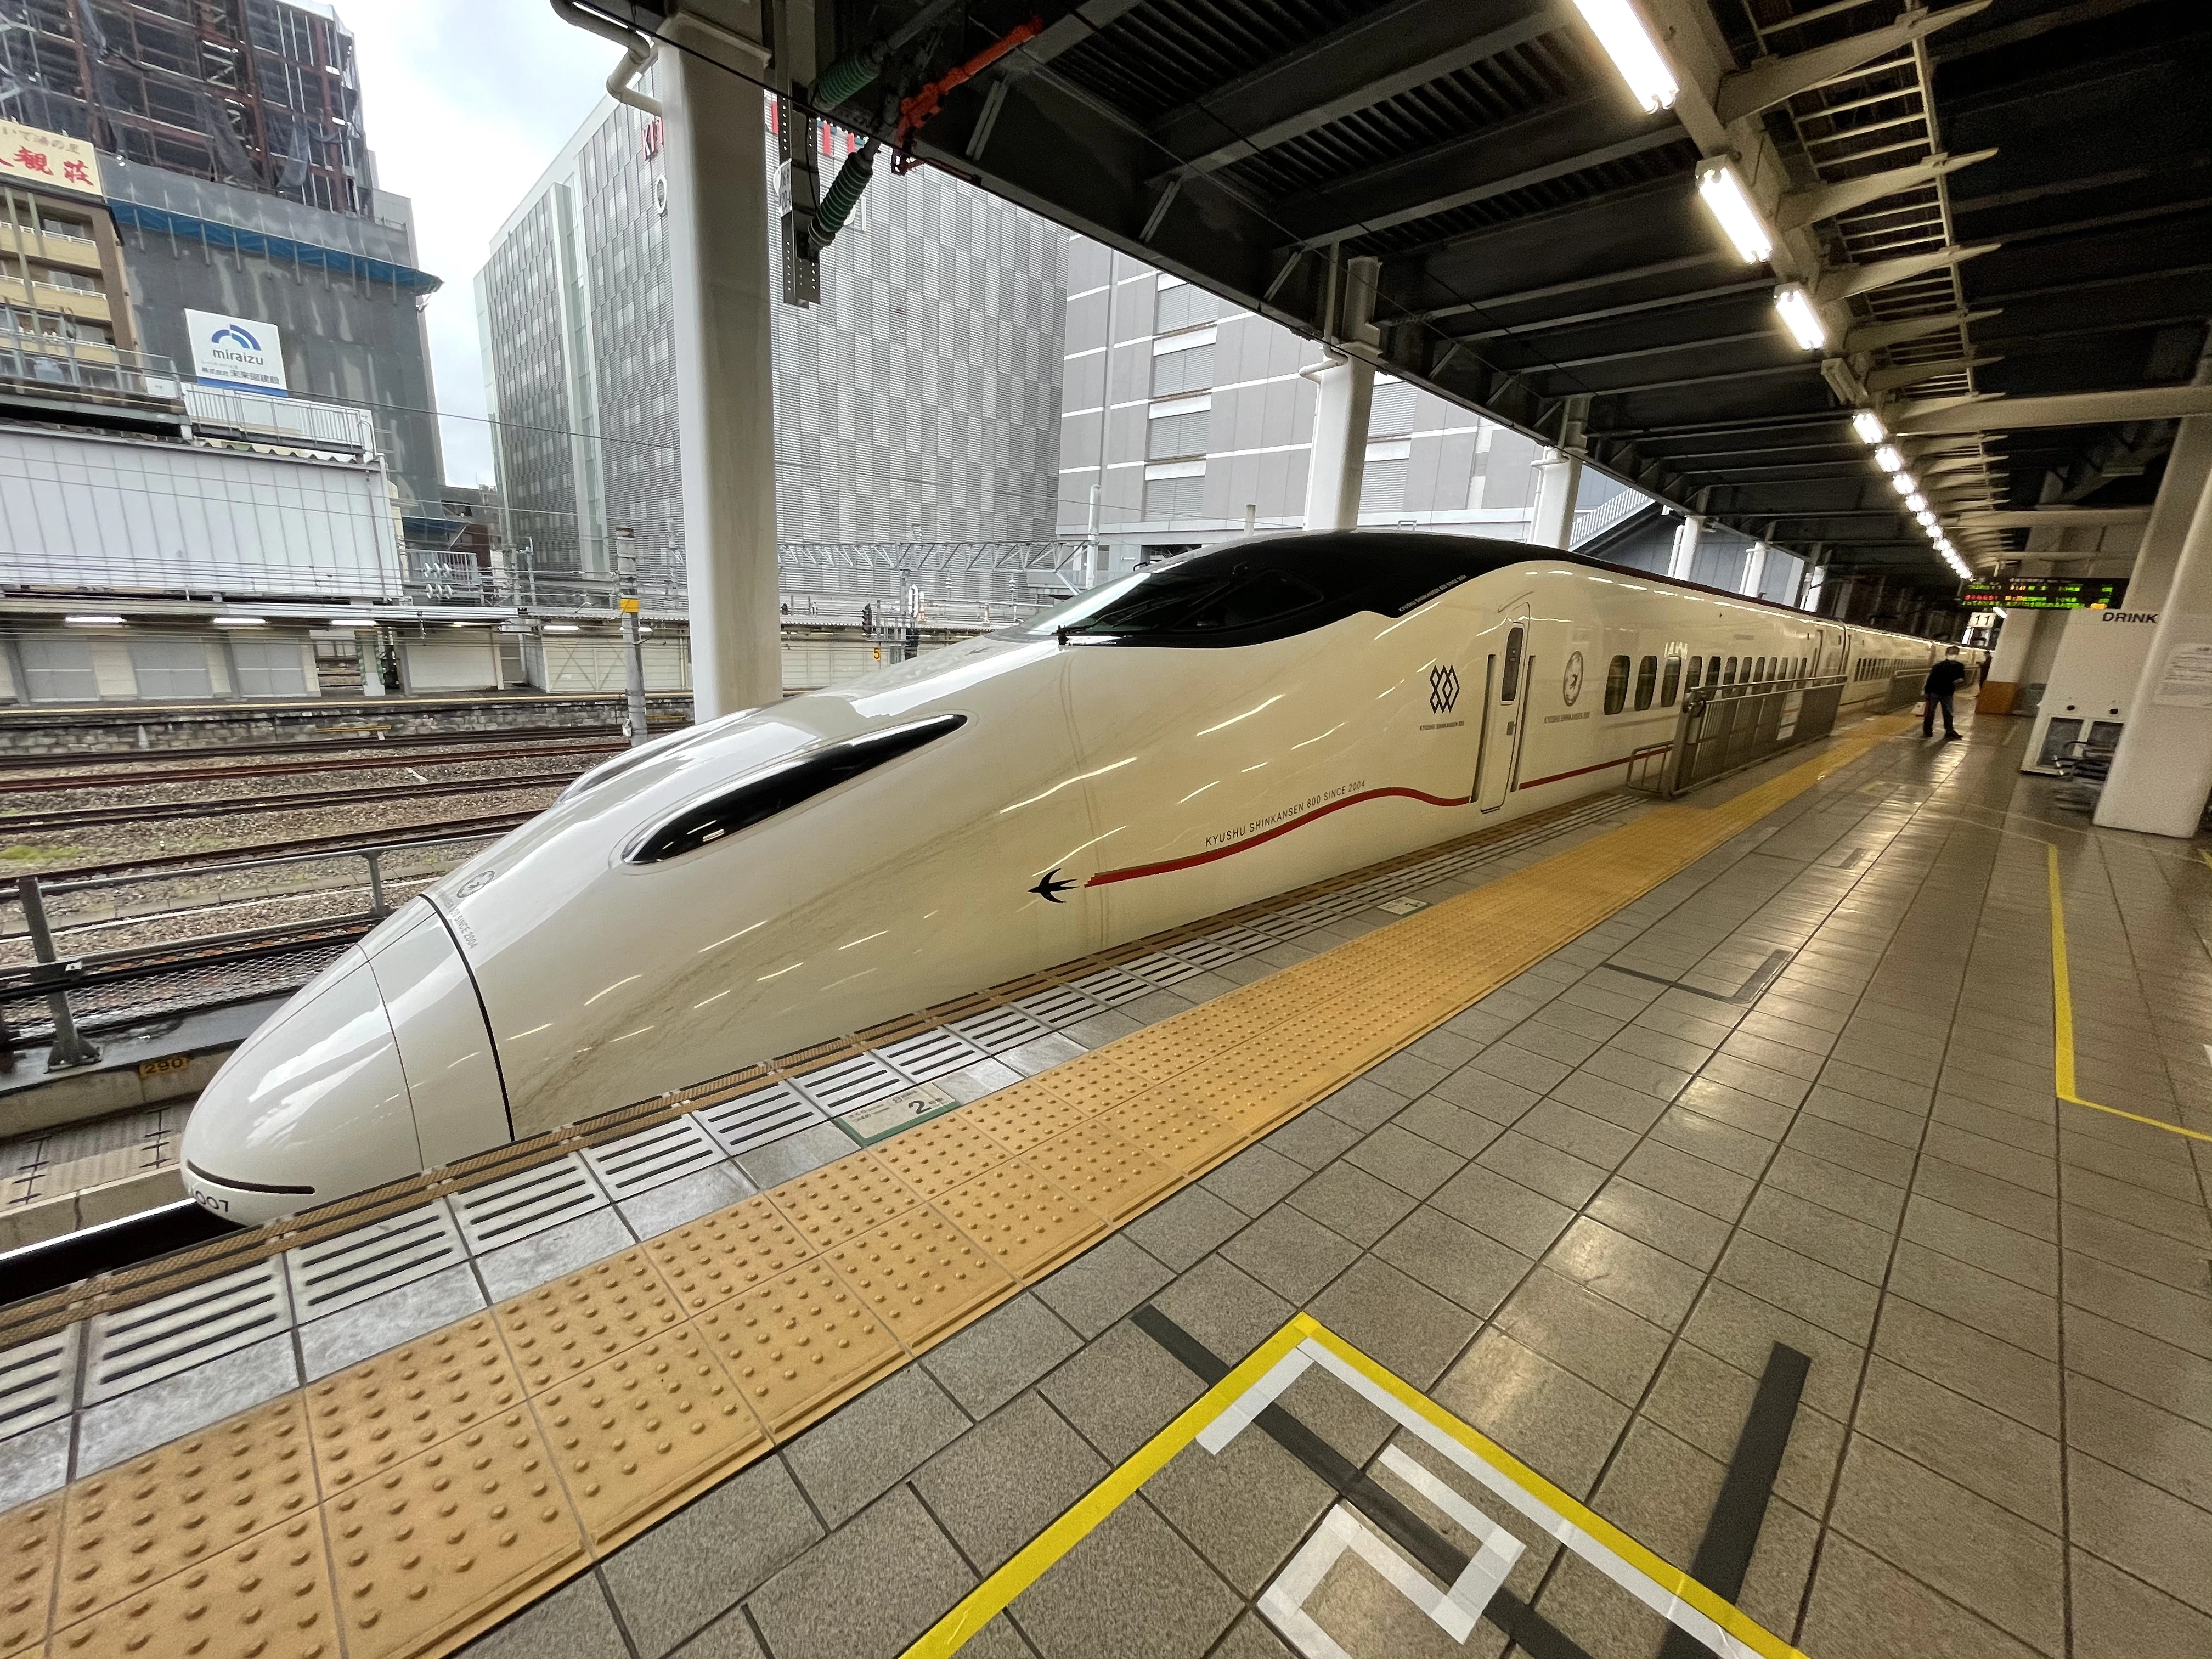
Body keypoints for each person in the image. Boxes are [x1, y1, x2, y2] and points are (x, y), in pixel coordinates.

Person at [1923, 646, 1971, 740]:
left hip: (1937, 692)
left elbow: (1930, 679)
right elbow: (1961, 679)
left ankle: (1929, 730)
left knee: (1932, 711)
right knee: (1947, 712)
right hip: (1944, 692)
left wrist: (1926, 692)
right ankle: (1948, 731)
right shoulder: (1958, 666)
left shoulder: (1939, 666)